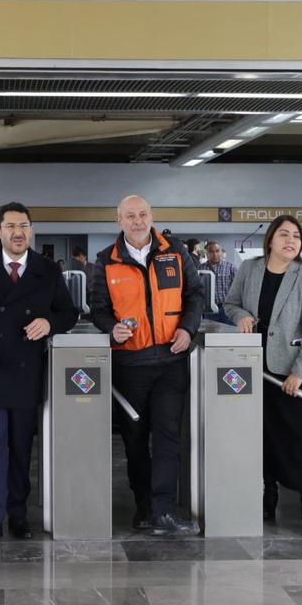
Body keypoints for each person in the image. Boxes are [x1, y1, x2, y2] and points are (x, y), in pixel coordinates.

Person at [0, 202, 77, 541]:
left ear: (31, 230)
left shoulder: (48, 270)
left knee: (22, 446)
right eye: (10, 226)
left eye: (23, 225)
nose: (17, 232)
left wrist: (49, 322)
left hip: (27, 371)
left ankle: (18, 515)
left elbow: (69, 313)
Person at [90, 195, 203, 535]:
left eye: (143, 214)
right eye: (130, 216)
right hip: (130, 364)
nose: (138, 221)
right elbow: (97, 308)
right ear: (118, 221)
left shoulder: (175, 251)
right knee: (135, 439)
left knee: (168, 437)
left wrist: (188, 327)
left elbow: (195, 295)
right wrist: (112, 328)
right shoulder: (105, 260)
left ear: (151, 217)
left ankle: (164, 512)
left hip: (170, 360)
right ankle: (143, 507)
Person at [224, 215, 302, 533]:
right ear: (270, 239)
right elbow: (230, 303)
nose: (291, 240)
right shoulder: (249, 269)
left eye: (296, 236)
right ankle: (269, 495)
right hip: (259, 367)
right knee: (265, 435)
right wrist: (242, 315)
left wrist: (299, 372)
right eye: (284, 234)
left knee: (301, 440)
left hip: (296, 369)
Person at [199, 240, 236, 324]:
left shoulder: (230, 267)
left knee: (229, 334)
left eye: (217, 251)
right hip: (209, 310)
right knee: (211, 335)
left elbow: (238, 288)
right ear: (206, 253)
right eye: (211, 252)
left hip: (227, 308)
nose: (215, 254)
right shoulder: (201, 268)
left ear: (221, 252)